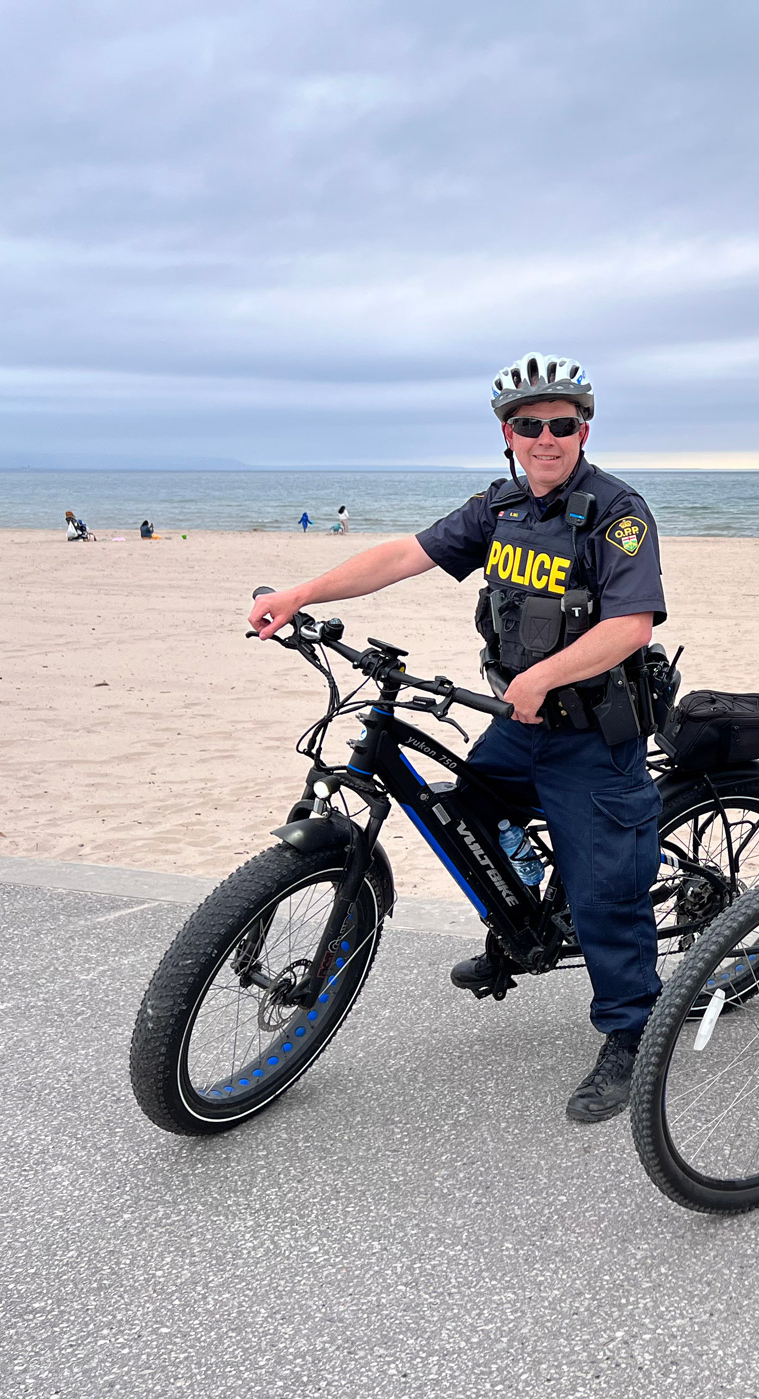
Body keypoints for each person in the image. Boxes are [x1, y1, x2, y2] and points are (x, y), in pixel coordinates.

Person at [249, 353, 667, 1124]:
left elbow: (630, 626)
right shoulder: (500, 507)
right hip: (517, 724)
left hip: (589, 737)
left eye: (562, 424)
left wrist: (541, 680)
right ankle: (520, 929)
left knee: (606, 890)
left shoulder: (617, 511)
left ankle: (630, 1032)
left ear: (584, 429)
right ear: (507, 434)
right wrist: (303, 591)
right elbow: (404, 556)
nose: (546, 438)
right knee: (467, 812)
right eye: (528, 425)